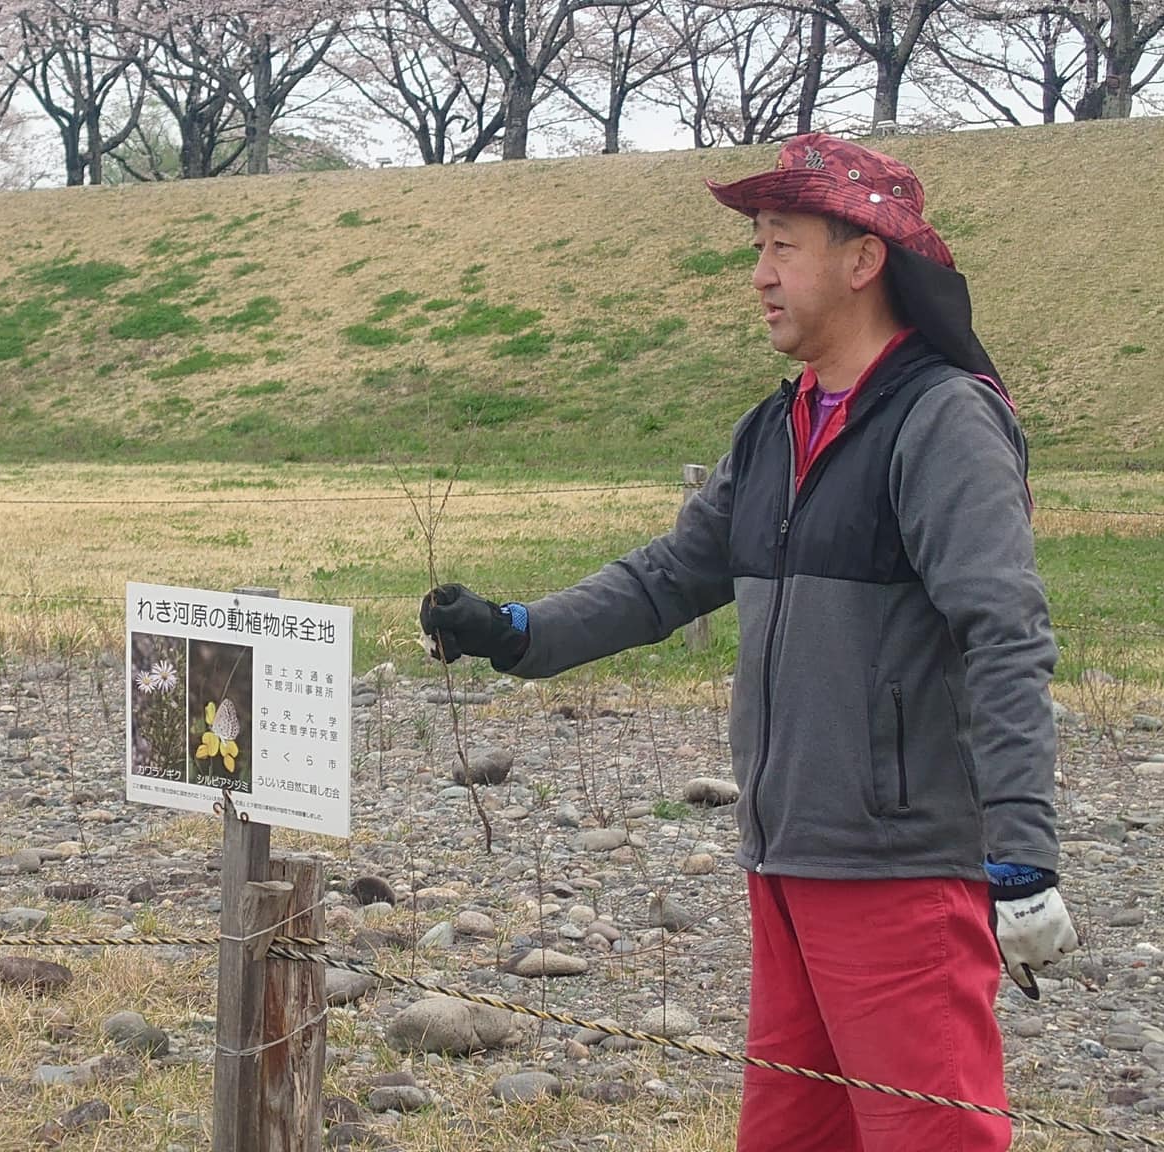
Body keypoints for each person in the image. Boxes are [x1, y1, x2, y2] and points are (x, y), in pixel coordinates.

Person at [420, 134, 1078, 1152]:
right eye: (756, 246)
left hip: (897, 872)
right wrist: (516, 633)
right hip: (784, 860)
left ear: (863, 260)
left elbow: (1004, 636)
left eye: (782, 245)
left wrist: (1022, 856)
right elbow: (668, 576)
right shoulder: (772, 429)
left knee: (927, 1139)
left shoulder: (941, 421)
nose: (759, 274)